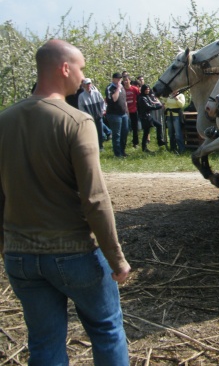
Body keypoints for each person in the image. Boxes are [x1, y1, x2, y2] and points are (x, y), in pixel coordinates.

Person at [0, 39, 130, 365]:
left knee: (44, 342)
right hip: (73, 253)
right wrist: (116, 259)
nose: (83, 75)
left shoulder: (4, 121)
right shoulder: (77, 121)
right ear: (64, 68)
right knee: (106, 329)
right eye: (82, 68)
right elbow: (95, 198)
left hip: (21, 258)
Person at [78, 78, 107, 151]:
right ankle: (94, 146)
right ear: (83, 85)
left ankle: (101, 146)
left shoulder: (96, 93)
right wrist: (87, 116)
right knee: (92, 133)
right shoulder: (81, 96)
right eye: (87, 84)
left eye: (89, 84)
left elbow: (102, 102)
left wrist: (103, 110)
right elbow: (81, 108)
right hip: (90, 118)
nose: (88, 85)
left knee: (100, 132)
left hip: (98, 116)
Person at [105, 72, 130, 158]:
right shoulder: (110, 88)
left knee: (124, 133)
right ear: (113, 79)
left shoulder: (122, 87)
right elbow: (114, 99)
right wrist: (117, 88)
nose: (119, 80)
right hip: (114, 115)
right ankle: (117, 153)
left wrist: (127, 111)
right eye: (117, 79)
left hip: (123, 114)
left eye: (120, 79)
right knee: (117, 134)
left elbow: (124, 100)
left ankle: (123, 151)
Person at [137, 84, 165, 152]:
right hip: (145, 117)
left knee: (159, 125)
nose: (147, 90)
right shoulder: (142, 98)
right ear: (143, 90)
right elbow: (149, 107)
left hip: (148, 116)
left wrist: (159, 103)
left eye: (148, 89)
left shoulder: (147, 96)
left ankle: (160, 141)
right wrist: (159, 107)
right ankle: (144, 147)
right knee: (146, 132)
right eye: (146, 89)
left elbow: (152, 103)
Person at [123, 74, 140, 149]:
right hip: (125, 112)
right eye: (124, 80)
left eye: (127, 80)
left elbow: (140, 97)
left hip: (134, 110)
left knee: (135, 128)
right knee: (125, 128)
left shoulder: (134, 89)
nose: (126, 82)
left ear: (130, 80)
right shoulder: (122, 90)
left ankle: (135, 143)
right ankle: (124, 143)